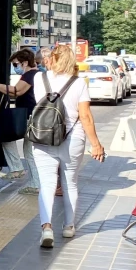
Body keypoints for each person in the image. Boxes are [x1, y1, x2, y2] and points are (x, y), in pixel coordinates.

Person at [29, 44, 105, 248]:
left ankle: (46, 227)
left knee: (47, 184)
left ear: (51, 59)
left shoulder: (39, 79)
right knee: (70, 183)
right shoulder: (79, 83)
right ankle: (69, 226)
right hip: (72, 139)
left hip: (43, 136)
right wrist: (96, 144)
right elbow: (85, 116)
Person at [0, 49, 38, 181]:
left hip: (30, 116)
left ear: (25, 63)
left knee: (29, 152)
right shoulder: (31, 75)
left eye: (16, 64)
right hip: (29, 116)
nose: (15, 68)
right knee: (9, 140)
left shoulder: (30, 75)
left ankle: (35, 184)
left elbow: (16, 91)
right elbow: (13, 92)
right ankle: (17, 169)